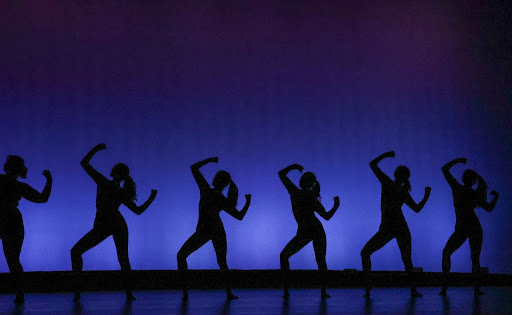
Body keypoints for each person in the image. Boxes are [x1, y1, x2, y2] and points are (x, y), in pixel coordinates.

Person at [70, 143, 157, 302]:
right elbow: (138, 211)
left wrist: (96, 148)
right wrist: (152, 198)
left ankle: (77, 292)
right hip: (117, 224)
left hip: (107, 224)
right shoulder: (120, 191)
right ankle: (129, 293)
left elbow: (84, 163)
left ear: (113, 172)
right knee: (123, 259)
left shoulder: (104, 182)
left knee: (76, 252)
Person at [177, 157, 251, 301]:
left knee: (182, 256)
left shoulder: (207, 190)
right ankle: (227, 293)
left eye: (217, 177)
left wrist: (210, 160)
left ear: (219, 181)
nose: (214, 178)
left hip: (207, 230)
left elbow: (194, 168)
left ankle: (186, 292)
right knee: (222, 262)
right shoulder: (219, 197)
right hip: (215, 229)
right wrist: (248, 202)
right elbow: (240, 216)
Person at [360, 151, 430, 298]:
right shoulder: (401, 190)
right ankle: (413, 290)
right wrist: (426, 196)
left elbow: (372, 164)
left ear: (396, 174)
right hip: (399, 227)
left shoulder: (388, 184)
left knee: (366, 252)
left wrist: (386, 155)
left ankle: (368, 287)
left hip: (390, 227)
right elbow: (417, 208)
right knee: (407, 259)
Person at [278, 163, 340, 299]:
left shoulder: (299, 193)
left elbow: (281, 174)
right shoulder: (307, 195)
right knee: (320, 260)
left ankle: (287, 291)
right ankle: (321, 291)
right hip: (311, 230)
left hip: (309, 231)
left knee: (287, 256)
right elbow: (327, 216)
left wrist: (294, 167)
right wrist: (336, 206)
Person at [440, 158, 499, 296]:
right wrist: (495, 197)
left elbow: (444, 169)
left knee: (448, 253)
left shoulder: (458, 188)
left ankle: (445, 287)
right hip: (472, 227)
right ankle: (475, 288)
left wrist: (458, 160)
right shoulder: (473, 194)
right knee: (474, 258)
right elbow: (489, 208)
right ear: (473, 181)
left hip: (464, 227)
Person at [0, 155, 52, 304]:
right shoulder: (19, 186)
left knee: (13, 260)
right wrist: (49, 180)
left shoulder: (8, 182)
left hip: (9, 219)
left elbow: (42, 198)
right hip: (12, 219)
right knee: (13, 260)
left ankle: (20, 292)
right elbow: (42, 198)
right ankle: (20, 292)